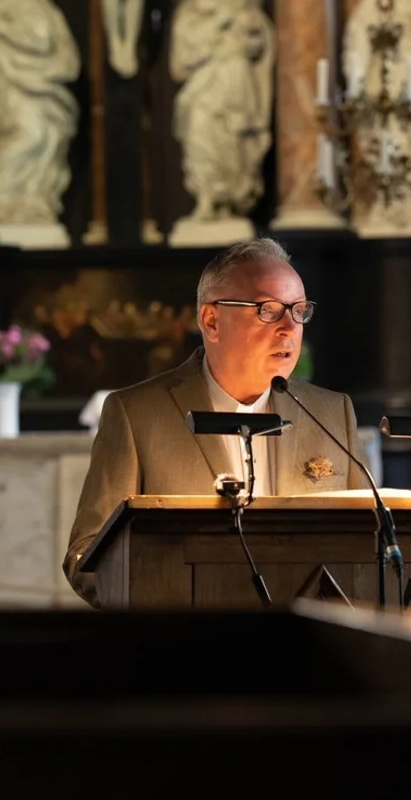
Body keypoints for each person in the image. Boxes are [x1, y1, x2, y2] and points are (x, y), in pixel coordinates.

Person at [63, 237, 367, 605]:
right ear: (212, 320)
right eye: (268, 310)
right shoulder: (137, 415)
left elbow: (372, 546)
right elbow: (86, 557)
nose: (290, 327)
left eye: (299, 310)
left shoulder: (332, 415)